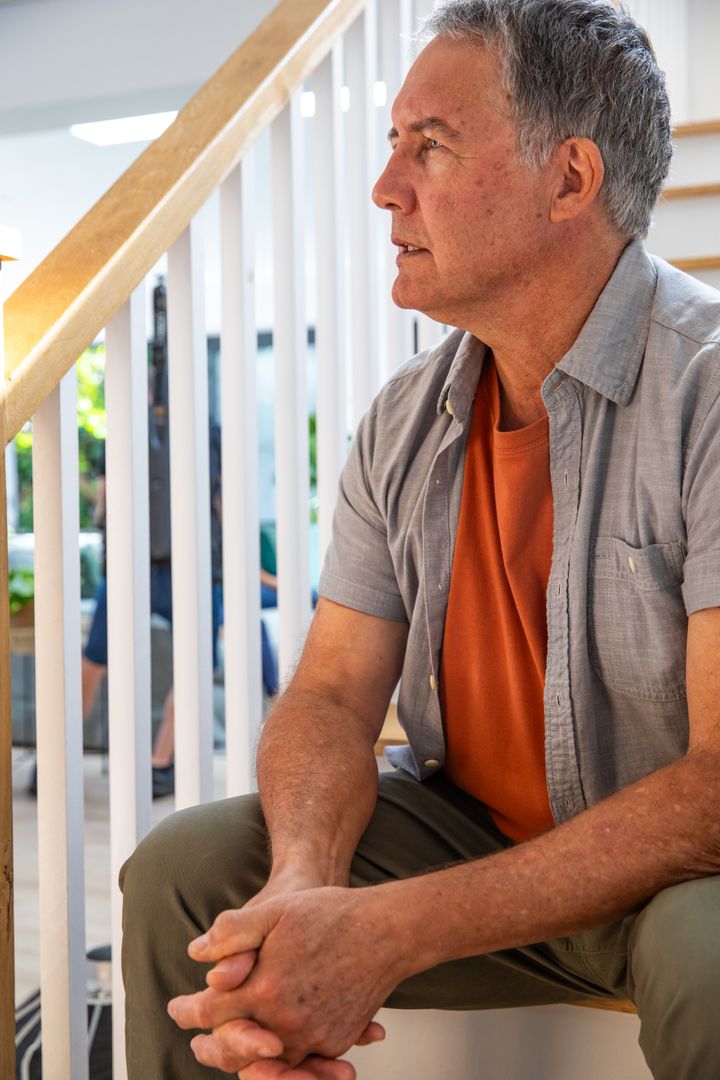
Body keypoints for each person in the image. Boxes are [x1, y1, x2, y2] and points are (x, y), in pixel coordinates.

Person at [120, 2, 720, 1078]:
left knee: (712, 950)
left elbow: (719, 788)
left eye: (428, 148)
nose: (386, 187)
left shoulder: (708, 392)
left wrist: (386, 932)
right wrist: (305, 881)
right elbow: (333, 695)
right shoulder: (404, 419)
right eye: (394, 147)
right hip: (473, 833)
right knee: (189, 868)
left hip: (677, 876)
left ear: (570, 180)